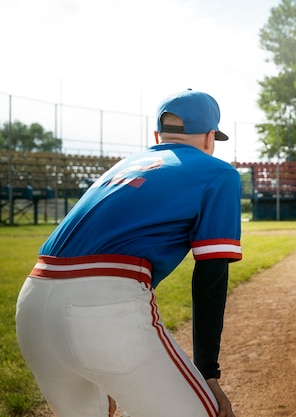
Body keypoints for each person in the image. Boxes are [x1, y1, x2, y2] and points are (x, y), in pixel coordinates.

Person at [15, 89, 241, 417]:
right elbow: (211, 278)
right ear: (210, 138)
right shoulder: (218, 172)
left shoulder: (123, 166)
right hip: (100, 309)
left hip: (32, 307)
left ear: (157, 136)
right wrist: (208, 373)